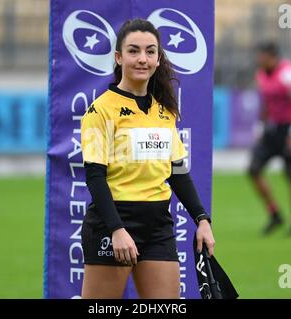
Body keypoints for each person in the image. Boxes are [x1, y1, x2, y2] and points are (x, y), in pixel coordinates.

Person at [80, 19, 215, 299]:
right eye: (134, 51)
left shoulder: (164, 109)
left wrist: (202, 219)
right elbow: (95, 177)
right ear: (119, 58)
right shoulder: (100, 110)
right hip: (113, 222)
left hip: (158, 225)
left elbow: (177, 172)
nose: (143, 59)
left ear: (157, 58)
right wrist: (116, 229)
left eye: (150, 51)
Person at [248, 41, 291, 235]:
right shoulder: (261, 74)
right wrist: (261, 125)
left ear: (272, 56)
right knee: (254, 170)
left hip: (290, 128)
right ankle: (275, 214)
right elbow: (266, 102)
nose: (258, 60)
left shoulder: (288, 73)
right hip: (272, 129)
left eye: (262, 56)